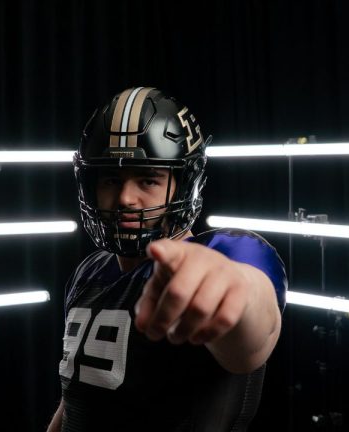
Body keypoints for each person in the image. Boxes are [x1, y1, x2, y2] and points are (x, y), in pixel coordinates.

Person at [47, 87, 287, 431]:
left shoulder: (225, 253)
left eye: (148, 179)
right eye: (111, 179)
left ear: (186, 184)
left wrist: (232, 289)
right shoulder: (90, 270)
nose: (126, 198)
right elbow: (76, 396)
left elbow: (252, 336)